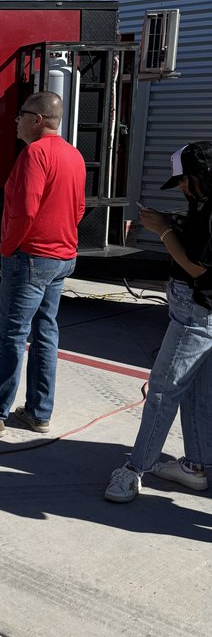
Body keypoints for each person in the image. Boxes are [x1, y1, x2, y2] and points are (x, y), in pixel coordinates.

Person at [0, 90, 85, 436]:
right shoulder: (73, 155)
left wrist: (8, 246)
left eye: (21, 115)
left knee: (11, 335)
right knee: (46, 332)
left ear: (37, 119)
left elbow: (25, 209)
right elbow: (79, 208)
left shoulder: (34, 155)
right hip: (61, 255)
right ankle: (39, 411)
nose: (17, 122)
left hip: (31, 255)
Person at [105, 141, 212, 502]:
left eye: (184, 181)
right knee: (197, 393)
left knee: (163, 392)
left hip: (197, 312)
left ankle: (135, 469)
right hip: (200, 311)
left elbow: (198, 266)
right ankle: (195, 466)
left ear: (202, 175)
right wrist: (170, 222)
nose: (181, 187)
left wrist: (163, 231)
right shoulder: (203, 204)